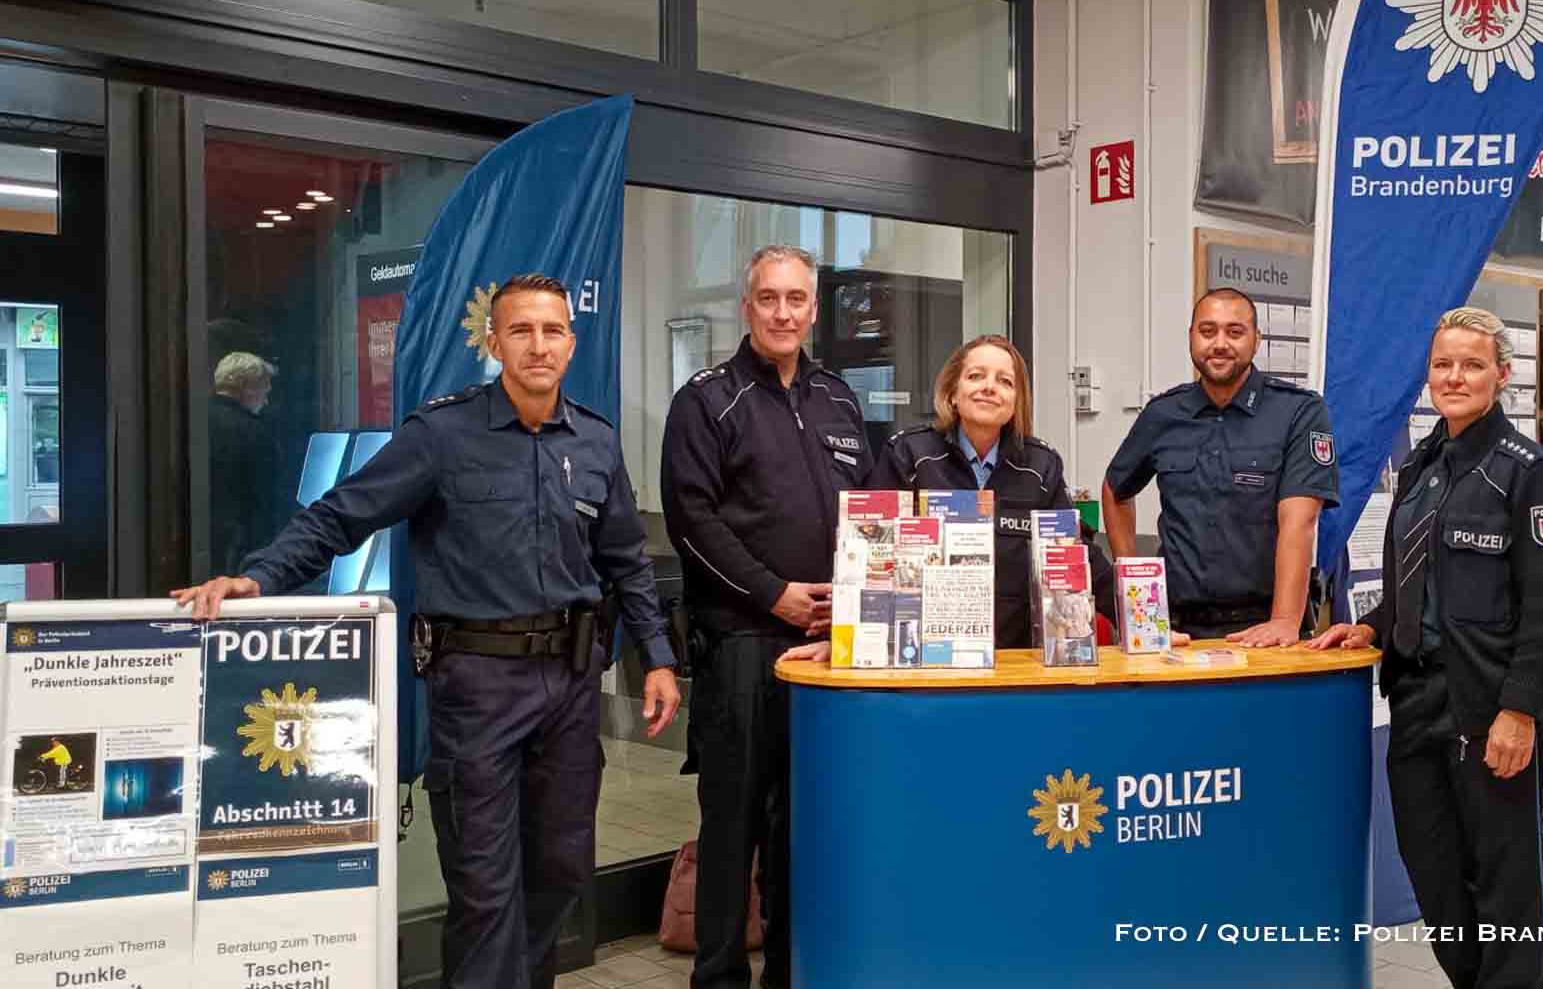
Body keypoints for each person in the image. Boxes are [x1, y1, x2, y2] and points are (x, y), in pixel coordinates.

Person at [172, 273, 680, 989]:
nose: (539, 345)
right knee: (483, 884)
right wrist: (260, 576)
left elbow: (625, 561)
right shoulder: (442, 434)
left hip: (570, 687)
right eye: (523, 331)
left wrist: (656, 658)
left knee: (561, 870)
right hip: (476, 686)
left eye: (553, 330)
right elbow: (339, 514)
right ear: (495, 341)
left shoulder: (593, 442)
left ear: (572, 340)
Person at [1310, 306, 1543, 989]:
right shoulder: (1426, 462)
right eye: (1442, 365)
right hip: (1418, 700)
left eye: (1471, 364)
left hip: (1492, 708)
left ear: (1502, 374)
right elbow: (1414, 576)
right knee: (1434, 875)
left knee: (1504, 886)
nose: (1453, 377)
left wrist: (1520, 712)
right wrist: (1370, 624)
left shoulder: (1528, 473)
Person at [660, 244, 871, 989]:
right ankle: (718, 978)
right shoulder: (707, 400)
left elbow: (870, 518)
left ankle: (790, 974)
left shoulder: (841, 400)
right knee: (734, 828)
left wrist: (857, 597)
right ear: (746, 308)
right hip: (745, 644)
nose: (783, 312)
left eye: (796, 299)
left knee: (801, 828)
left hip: (828, 650)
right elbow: (691, 519)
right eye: (768, 298)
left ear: (814, 309)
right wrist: (772, 592)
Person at [784, 335, 1116, 653]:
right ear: (953, 392)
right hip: (923, 658)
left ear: (1017, 401)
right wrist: (842, 639)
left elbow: (1078, 554)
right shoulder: (909, 455)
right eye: (975, 376)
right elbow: (867, 551)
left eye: (1005, 381)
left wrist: (1137, 620)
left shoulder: (1041, 467)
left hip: (1014, 659)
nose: (989, 387)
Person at [1101, 287, 1339, 644]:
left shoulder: (1298, 412)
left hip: (1263, 627)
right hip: (1178, 629)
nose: (1220, 343)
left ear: (1257, 340)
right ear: (1192, 337)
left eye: (1235, 332)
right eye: (1208, 331)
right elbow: (1115, 489)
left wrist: (1284, 620)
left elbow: (1300, 521)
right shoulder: (1163, 414)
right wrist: (1136, 602)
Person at [208, 351, 279, 573]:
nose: (266, 400)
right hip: (240, 546)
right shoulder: (254, 432)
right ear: (247, 388)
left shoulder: (192, 419)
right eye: (264, 391)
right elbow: (266, 498)